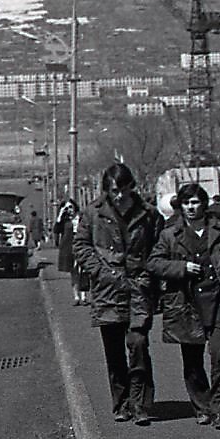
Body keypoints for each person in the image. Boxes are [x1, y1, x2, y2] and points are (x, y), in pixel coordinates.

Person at [149, 182, 220, 428]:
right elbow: (154, 263)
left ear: (204, 204)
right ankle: (202, 406)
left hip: (218, 301)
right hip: (187, 305)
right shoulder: (169, 234)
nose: (191, 207)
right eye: (186, 203)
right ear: (180, 206)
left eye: (195, 202)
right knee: (193, 362)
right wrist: (180, 268)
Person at [74, 163, 163, 425]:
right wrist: (101, 273)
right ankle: (121, 403)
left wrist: (148, 275)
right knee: (114, 352)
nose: (120, 196)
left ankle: (141, 403)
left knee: (138, 345)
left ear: (132, 187)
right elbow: (81, 246)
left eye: (124, 190)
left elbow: (159, 248)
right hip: (107, 291)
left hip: (139, 289)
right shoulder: (93, 213)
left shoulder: (149, 215)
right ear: (107, 191)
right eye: (115, 191)